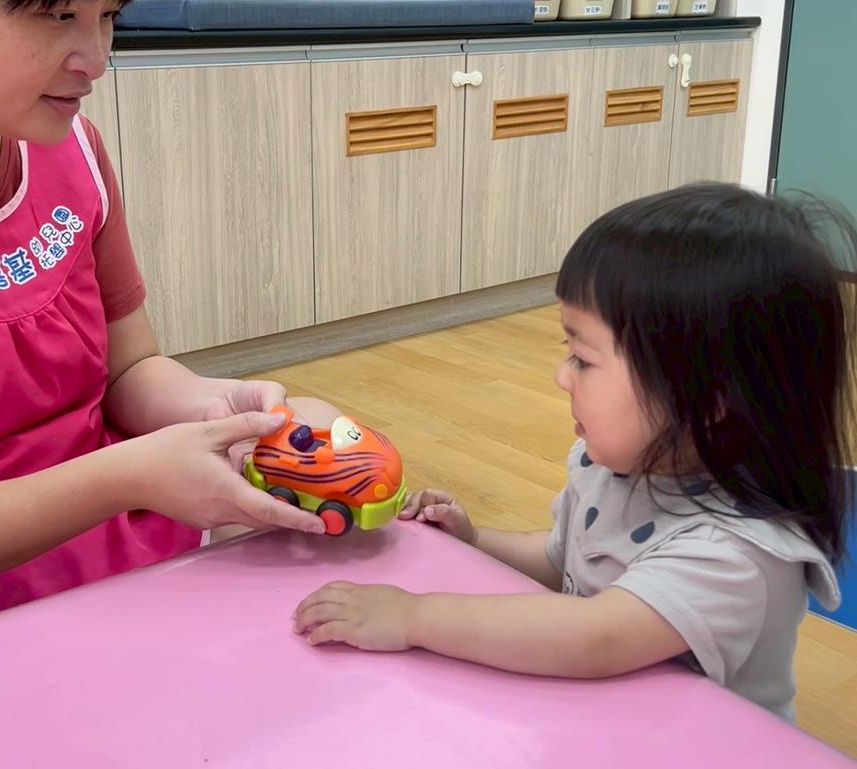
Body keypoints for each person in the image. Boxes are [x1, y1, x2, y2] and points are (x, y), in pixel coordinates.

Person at [0, 0, 332, 661]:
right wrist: (130, 476)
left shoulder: (70, 148)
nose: (96, 60)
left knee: (316, 436)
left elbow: (129, 370)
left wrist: (213, 408)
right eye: (58, 14)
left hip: (109, 532)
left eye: (108, 15)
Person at [294, 184, 855, 720]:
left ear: (705, 399)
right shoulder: (614, 470)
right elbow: (565, 562)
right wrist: (474, 539)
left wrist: (412, 616)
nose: (562, 376)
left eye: (584, 359)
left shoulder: (737, 554)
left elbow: (594, 636)